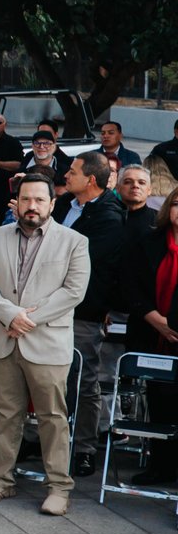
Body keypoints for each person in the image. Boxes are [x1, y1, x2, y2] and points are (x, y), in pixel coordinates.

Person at [0, 173, 91, 515]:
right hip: (5, 338)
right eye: (26, 199)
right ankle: (0, 479)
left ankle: (58, 487)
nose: (32, 206)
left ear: (52, 203)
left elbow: (74, 291)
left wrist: (27, 319)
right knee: (7, 413)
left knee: (53, 416)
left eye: (39, 200)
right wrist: (10, 315)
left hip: (47, 342)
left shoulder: (74, 241)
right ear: (17, 203)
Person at [53, 152, 126, 477]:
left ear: (91, 180)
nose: (66, 176)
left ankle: (84, 447)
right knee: (46, 379)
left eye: (72, 171)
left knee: (84, 381)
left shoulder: (109, 216)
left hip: (84, 311)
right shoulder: (65, 205)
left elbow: (81, 259)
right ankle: (37, 439)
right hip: (50, 307)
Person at [119, 185, 178, 485]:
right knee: (158, 401)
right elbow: (131, 285)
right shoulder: (149, 241)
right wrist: (157, 321)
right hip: (150, 332)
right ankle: (161, 467)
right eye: (177, 203)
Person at [119, 165, 159, 235]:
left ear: (149, 190)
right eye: (128, 182)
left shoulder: (160, 220)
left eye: (141, 182)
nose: (135, 185)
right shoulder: (106, 217)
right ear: (118, 188)